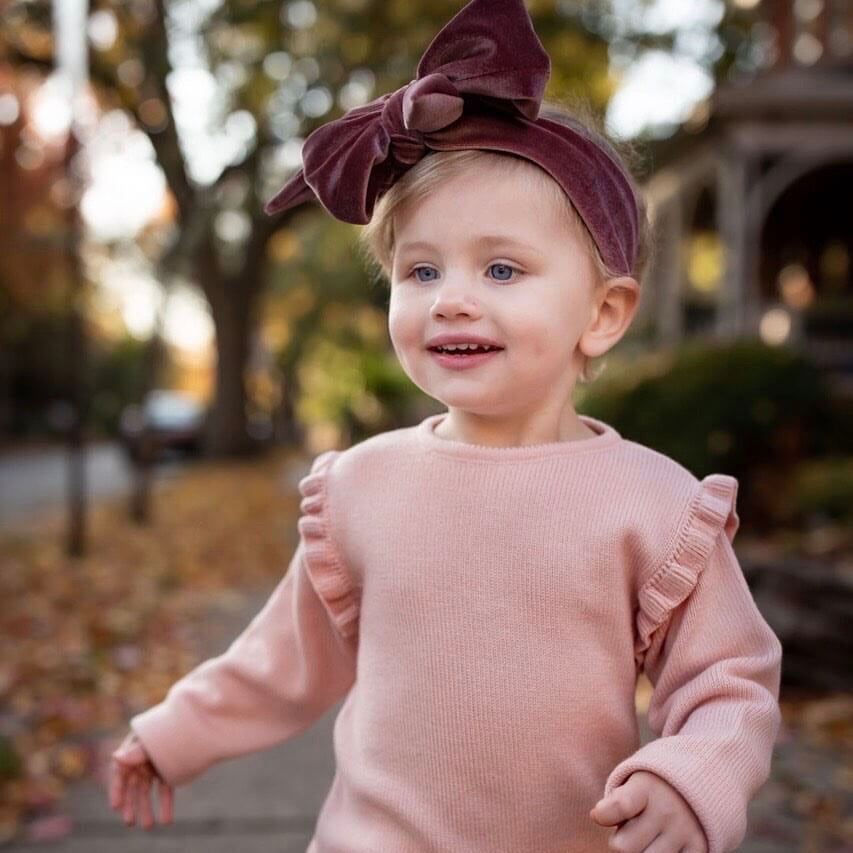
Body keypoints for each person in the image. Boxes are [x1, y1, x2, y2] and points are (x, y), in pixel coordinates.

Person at [108, 1, 783, 851]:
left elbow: (727, 679)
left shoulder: (649, 501)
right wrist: (173, 734)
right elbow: (282, 658)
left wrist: (692, 778)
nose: (451, 297)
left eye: (502, 267)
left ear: (603, 314)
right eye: (420, 269)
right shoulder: (359, 485)